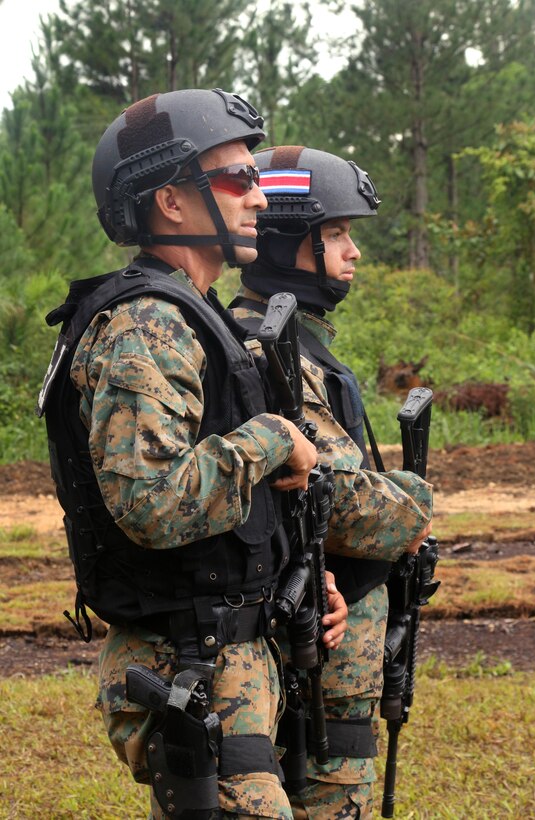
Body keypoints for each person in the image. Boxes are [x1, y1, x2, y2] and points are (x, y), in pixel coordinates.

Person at [39, 92, 348, 819]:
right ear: (170, 201)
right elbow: (150, 502)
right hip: (184, 665)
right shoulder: (147, 323)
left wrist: (301, 579)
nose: (259, 193)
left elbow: (230, 502)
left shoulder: (197, 315)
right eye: (238, 177)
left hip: (230, 654)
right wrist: (273, 437)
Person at [230, 145, 434, 819]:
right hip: (304, 668)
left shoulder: (304, 349)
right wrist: (414, 504)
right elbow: (343, 506)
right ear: (286, 242)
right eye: (336, 235)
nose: (352, 253)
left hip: (334, 661)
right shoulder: (265, 351)